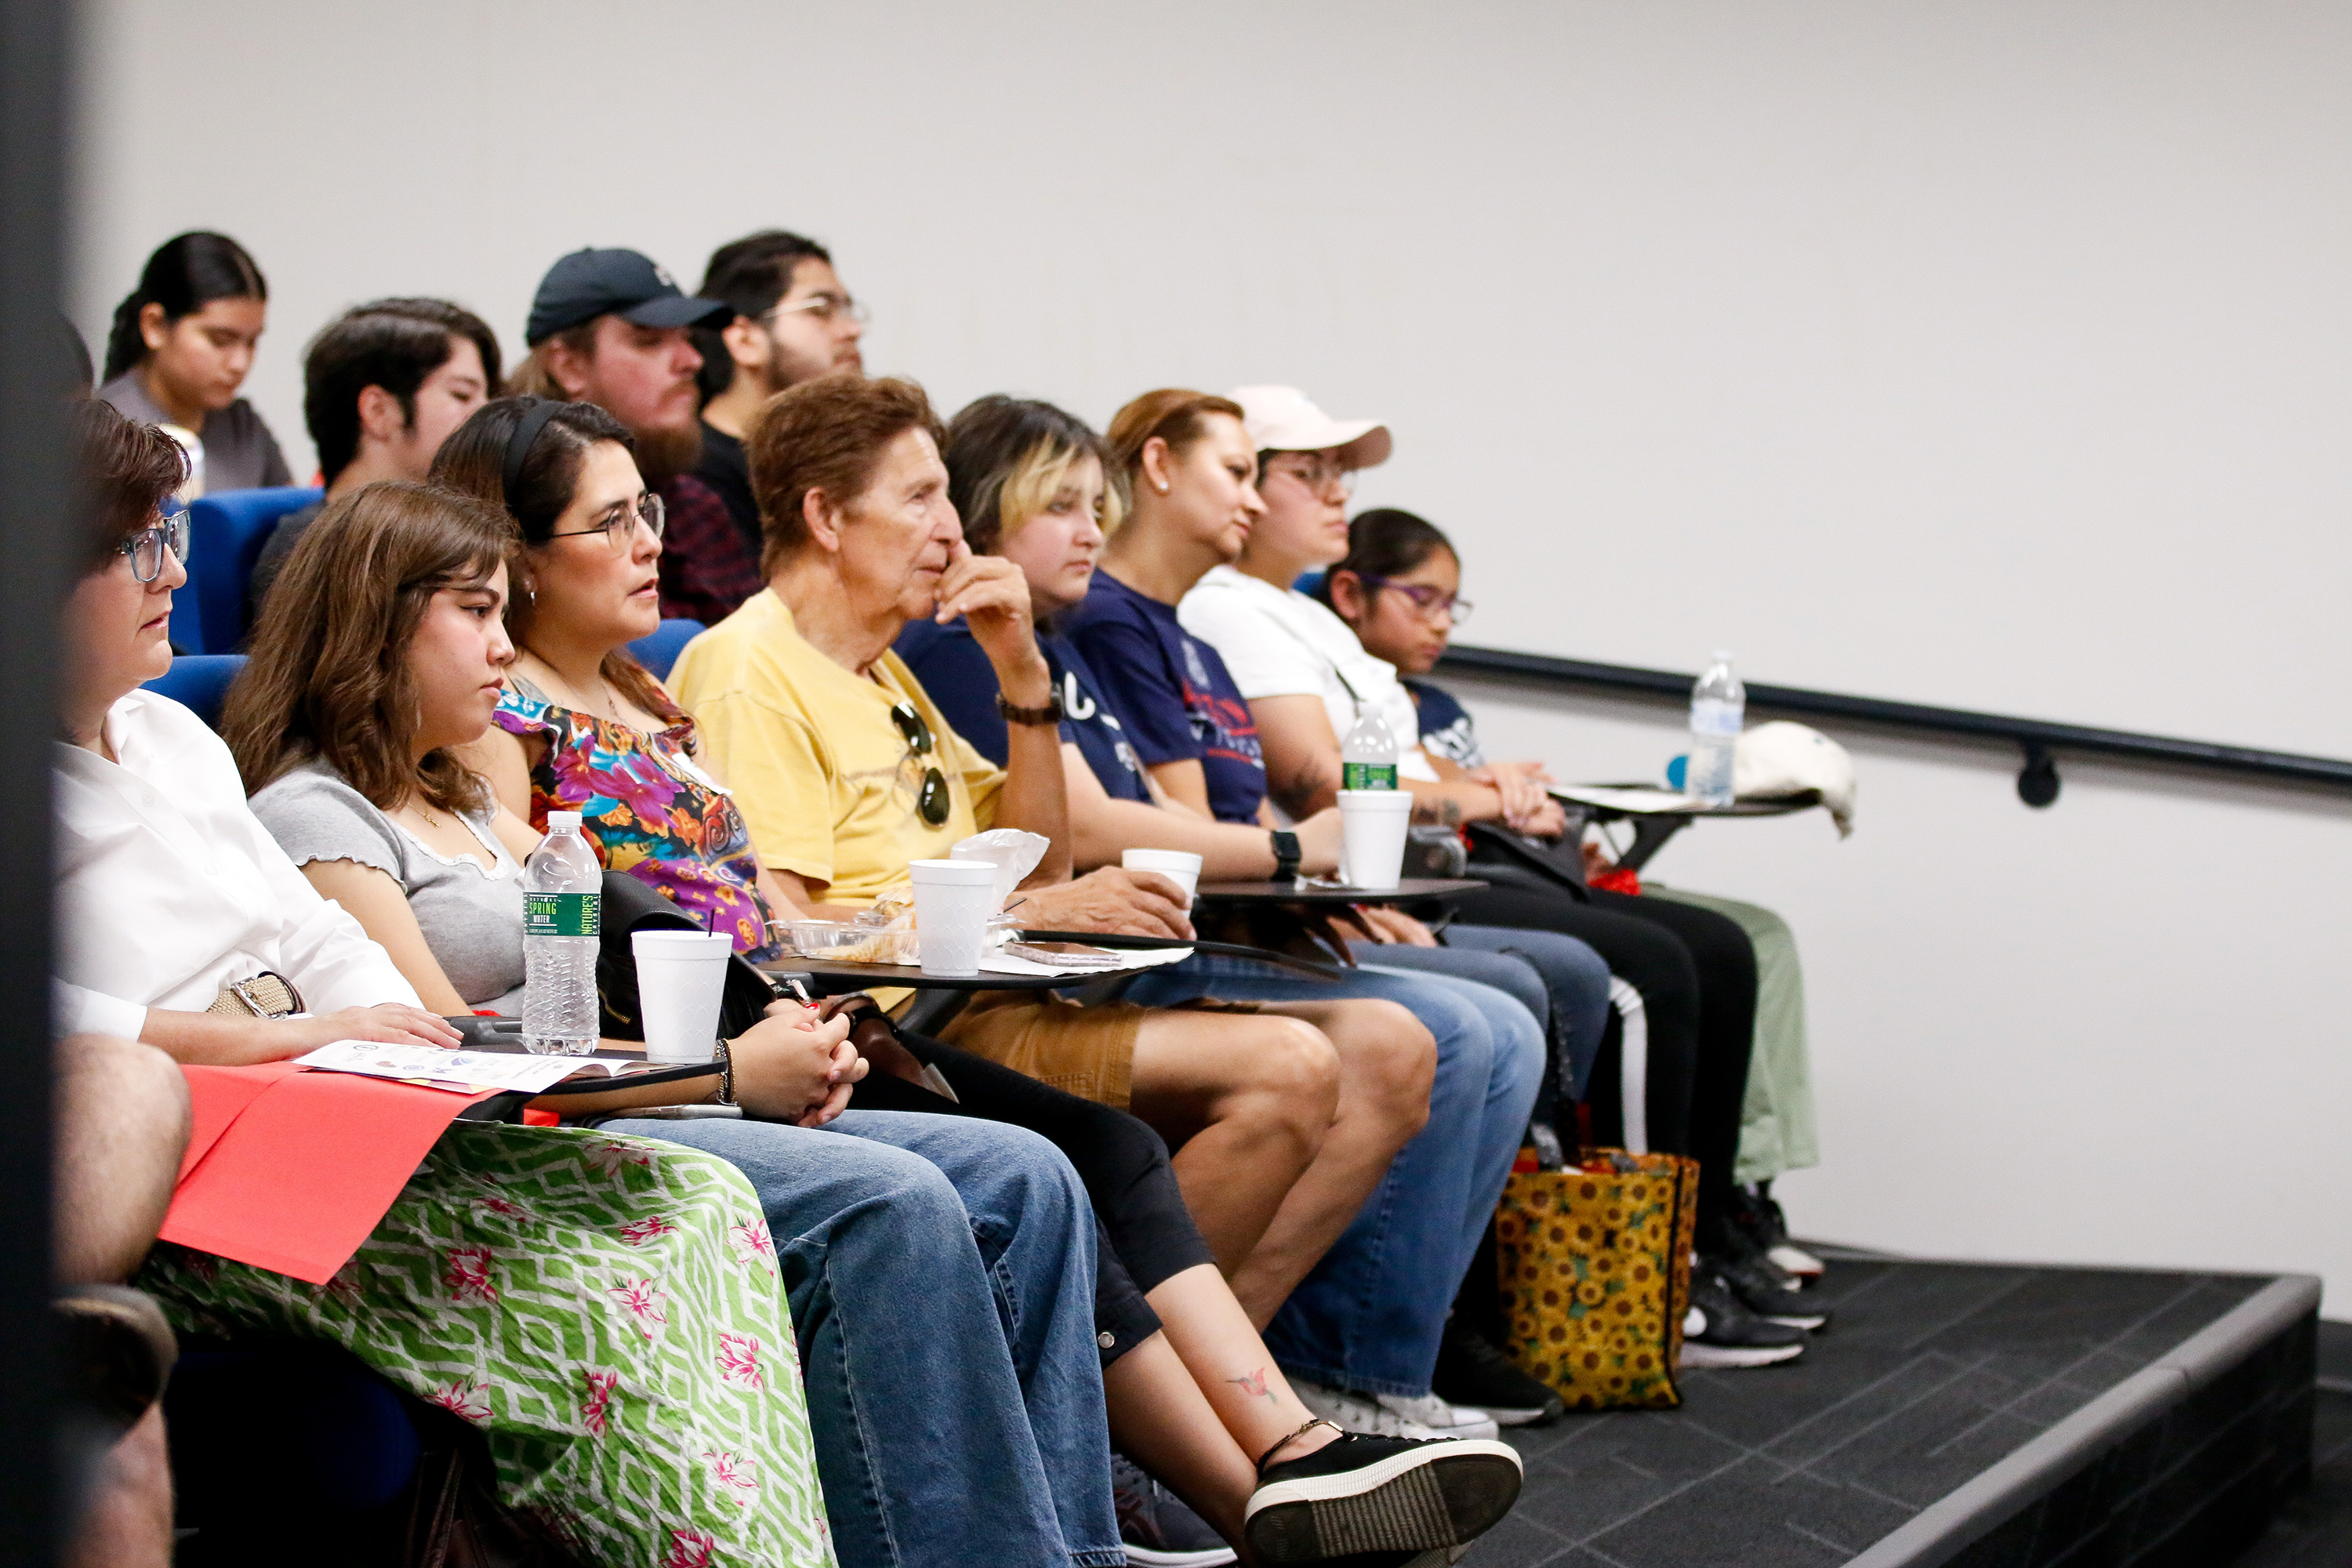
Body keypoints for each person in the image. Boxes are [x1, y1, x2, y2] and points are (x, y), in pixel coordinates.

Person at [430, 397, 1518, 1563]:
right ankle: (1256, 1484)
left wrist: (1021, 677)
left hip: (818, 1017)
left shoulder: (652, 692)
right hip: (736, 1045)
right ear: (519, 561)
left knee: (1098, 1155)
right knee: (1060, 1164)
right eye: (614, 521)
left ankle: (1272, 1470)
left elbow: (1016, 862)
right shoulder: (555, 717)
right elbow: (650, 931)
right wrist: (966, 935)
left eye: (650, 509)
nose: (653, 539)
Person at [51, 398, 837, 1563]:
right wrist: (278, 1039)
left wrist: (399, 1031)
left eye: (170, 532)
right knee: (611, 1284)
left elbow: (310, 930)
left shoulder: (175, 740)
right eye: (132, 546)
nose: (168, 568)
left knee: (702, 1206)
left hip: (324, 1086)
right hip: (195, 1143)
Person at [1182, 384, 1819, 1365]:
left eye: (1341, 474)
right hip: (1325, 894)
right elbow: (1318, 774)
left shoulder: (1305, 620)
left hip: (1384, 876)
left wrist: (1478, 783)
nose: (1336, 494)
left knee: (1715, 944)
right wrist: (1479, 797)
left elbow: (1387, 761)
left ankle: (1676, 1252)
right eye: (1306, 473)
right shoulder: (1225, 609)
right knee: (1595, 977)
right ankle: (1620, 1291)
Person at [1326, 506, 1829, 1283]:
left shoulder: (1432, 703)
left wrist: (1526, 806)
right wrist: (1498, 795)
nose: (1440, 624)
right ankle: (1642, 1275)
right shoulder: (1331, 677)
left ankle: (1712, 1223)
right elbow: (1412, 793)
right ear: (1350, 593)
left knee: (1727, 943)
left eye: (1451, 605)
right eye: (1420, 598)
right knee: (1650, 964)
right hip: (1436, 874)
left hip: (1502, 858)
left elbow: (1461, 783)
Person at [508, 245, 756, 624]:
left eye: (687, 338)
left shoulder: (695, 504)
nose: (692, 360)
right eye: (650, 341)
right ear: (570, 366)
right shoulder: (507, 514)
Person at [247, 297, 501, 608]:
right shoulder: (313, 554)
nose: (485, 416)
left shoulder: (455, 539)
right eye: (462, 395)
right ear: (379, 410)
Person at [692, 229, 867, 555]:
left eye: (848, 311)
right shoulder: (696, 476)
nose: (852, 330)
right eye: (820, 310)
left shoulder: (827, 461)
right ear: (745, 340)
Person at [98, 232, 290, 493]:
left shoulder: (244, 429)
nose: (240, 363)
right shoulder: (105, 428)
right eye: (220, 340)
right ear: (155, 326)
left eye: (251, 342)